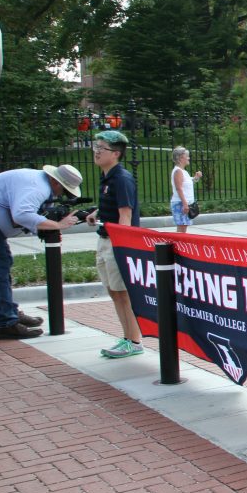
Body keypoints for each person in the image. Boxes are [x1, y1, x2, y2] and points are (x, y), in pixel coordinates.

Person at [0, 165, 84, 338]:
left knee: (3, 266)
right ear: (55, 181)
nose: (62, 196)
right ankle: (5, 322)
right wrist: (58, 225)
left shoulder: (38, 182)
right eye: (64, 191)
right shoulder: (38, 187)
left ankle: (8, 312)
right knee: (1, 267)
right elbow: (22, 214)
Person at [85, 131, 145, 358]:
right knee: (114, 292)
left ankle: (134, 341)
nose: (97, 151)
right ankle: (127, 337)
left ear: (116, 153)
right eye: (96, 146)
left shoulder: (121, 178)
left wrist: (122, 248)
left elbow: (126, 216)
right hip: (104, 239)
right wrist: (96, 213)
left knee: (122, 293)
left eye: (102, 148)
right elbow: (113, 205)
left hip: (115, 243)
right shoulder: (107, 177)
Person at [168, 146, 202, 234]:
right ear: (180, 158)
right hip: (180, 203)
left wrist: (196, 178)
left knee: (183, 228)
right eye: (186, 156)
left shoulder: (183, 171)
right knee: (181, 229)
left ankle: (179, 246)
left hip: (184, 203)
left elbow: (187, 184)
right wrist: (185, 204)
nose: (188, 158)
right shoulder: (178, 171)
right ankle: (176, 246)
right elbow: (178, 188)